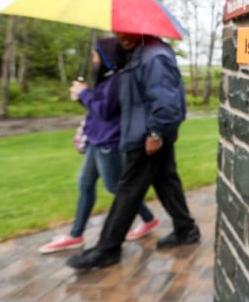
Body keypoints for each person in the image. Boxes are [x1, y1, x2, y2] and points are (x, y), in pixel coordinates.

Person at [66, 33, 199, 271]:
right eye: (118, 33)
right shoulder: (138, 54)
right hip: (144, 132)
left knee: (128, 190)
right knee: (166, 182)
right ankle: (186, 229)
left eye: (126, 32)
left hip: (147, 136)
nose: (121, 37)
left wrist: (156, 132)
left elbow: (166, 100)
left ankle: (107, 249)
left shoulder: (153, 56)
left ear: (142, 30)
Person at [39, 38, 160, 254]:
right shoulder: (107, 78)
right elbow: (98, 107)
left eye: (96, 54)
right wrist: (81, 96)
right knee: (85, 183)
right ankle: (76, 235)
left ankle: (148, 218)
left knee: (116, 187)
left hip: (108, 143)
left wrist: (85, 93)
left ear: (106, 56)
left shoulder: (119, 79)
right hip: (97, 140)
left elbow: (105, 110)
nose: (94, 58)